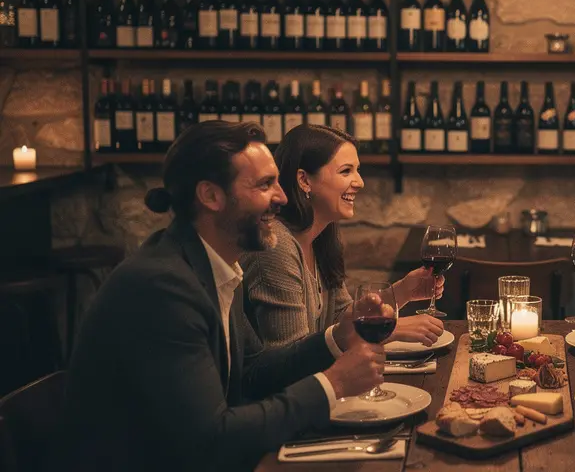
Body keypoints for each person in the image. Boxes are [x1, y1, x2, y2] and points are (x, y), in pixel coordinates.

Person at [61, 121, 385, 472]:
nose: (282, 197)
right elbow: (210, 441)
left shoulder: (214, 266)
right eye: (265, 185)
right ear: (211, 196)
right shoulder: (163, 287)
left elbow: (254, 372)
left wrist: (335, 338)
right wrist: (332, 384)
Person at [243, 124, 445, 350]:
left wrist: (402, 291)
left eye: (357, 170)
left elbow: (341, 318)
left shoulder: (321, 239)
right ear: (304, 180)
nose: (360, 182)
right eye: (346, 171)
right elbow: (290, 356)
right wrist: (391, 329)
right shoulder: (277, 245)